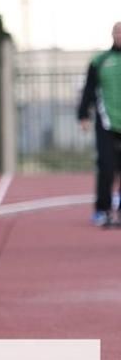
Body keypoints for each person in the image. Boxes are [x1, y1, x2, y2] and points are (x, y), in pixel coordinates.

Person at [77, 22, 121, 227]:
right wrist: (83, 114)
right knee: (106, 166)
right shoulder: (100, 61)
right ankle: (102, 209)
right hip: (107, 122)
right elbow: (89, 89)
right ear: (113, 35)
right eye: (118, 32)